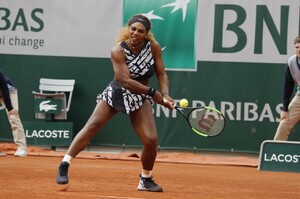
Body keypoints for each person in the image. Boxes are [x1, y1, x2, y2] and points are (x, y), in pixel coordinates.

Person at [56, 14, 174, 192]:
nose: (135, 33)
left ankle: (146, 179)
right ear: (128, 29)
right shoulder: (118, 50)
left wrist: (165, 94)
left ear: (146, 34)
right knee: (92, 125)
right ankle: (65, 164)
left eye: (140, 31)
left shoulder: (154, 47)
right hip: (118, 92)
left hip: (140, 98)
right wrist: (153, 93)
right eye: (133, 29)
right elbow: (125, 80)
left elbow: (162, 73)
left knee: (151, 140)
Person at [274, 36, 300, 141]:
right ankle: (275, 152)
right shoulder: (291, 61)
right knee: (284, 123)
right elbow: (288, 85)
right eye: (297, 47)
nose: (299, 50)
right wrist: (285, 109)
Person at [0, 68, 27, 157]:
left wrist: (10, 108)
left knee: (13, 117)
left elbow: (4, 89)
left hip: (8, 91)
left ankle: (22, 148)